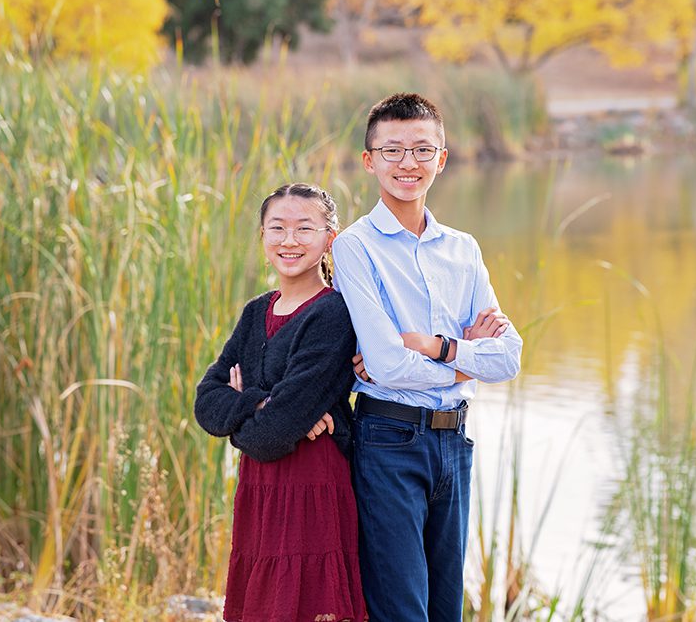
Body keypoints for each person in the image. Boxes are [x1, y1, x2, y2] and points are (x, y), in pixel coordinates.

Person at [331, 93, 523, 622]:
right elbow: (388, 366)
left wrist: (435, 346)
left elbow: (507, 357)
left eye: (422, 150)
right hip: (389, 441)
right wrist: (466, 357)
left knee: (446, 610)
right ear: (369, 161)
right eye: (392, 151)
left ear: (442, 158)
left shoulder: (463, 248)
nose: (408, 164)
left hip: (454, 442)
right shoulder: (356, 246)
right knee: (402, 610)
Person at [194, 183, 367, 622]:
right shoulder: (257, 311)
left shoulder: (333, 313)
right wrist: (261, 403)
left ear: (330, 237)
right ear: (262, 236)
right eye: (278, 228)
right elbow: (206, 402)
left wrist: (252, 406)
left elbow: (272, 436)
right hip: (259, 487)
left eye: (304, 228)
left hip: (312, 484)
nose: (289, 240)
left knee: (309, 606)